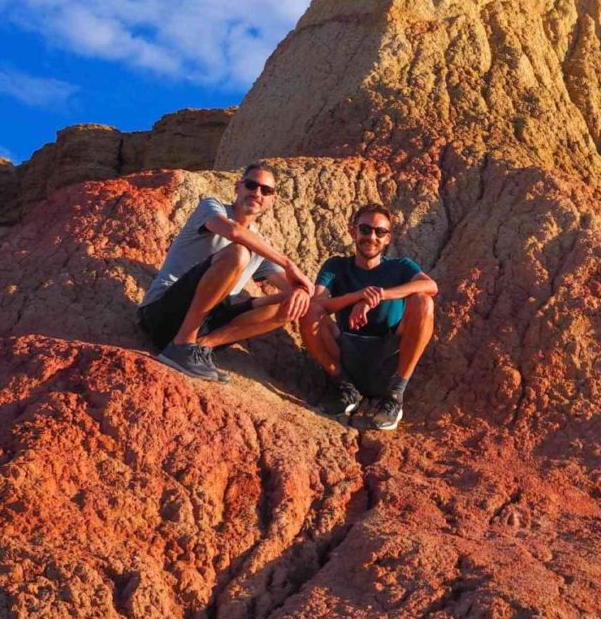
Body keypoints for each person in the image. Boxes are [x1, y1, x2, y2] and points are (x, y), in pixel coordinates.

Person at [138, 162, 315, 383]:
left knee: (292, 305)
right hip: (163, 312)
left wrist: (301, 292)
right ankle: (182, 344)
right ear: (237, 187)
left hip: (207, 324)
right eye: (251, 185)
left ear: (272, 200)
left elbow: (289, 286)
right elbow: (233, 232)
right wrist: (289, 263)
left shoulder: (261, 243)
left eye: (266, 190)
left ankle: (199, 348)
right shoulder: (212, 207)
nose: (257, 193)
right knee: (239, 253)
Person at [302, 202, 436, 432]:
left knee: (423, 301)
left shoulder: (400, 267)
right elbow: (317, 304)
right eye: (365, 229)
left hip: (388, 361)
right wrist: (356, 296)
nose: (371, 237)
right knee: (308, 311)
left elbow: (430, 285)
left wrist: (379, 296)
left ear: (387, 239)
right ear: (353, 231)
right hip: (347, 355)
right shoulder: (336, 266)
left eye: (379, 232)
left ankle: (395, 395)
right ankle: (346, 388)